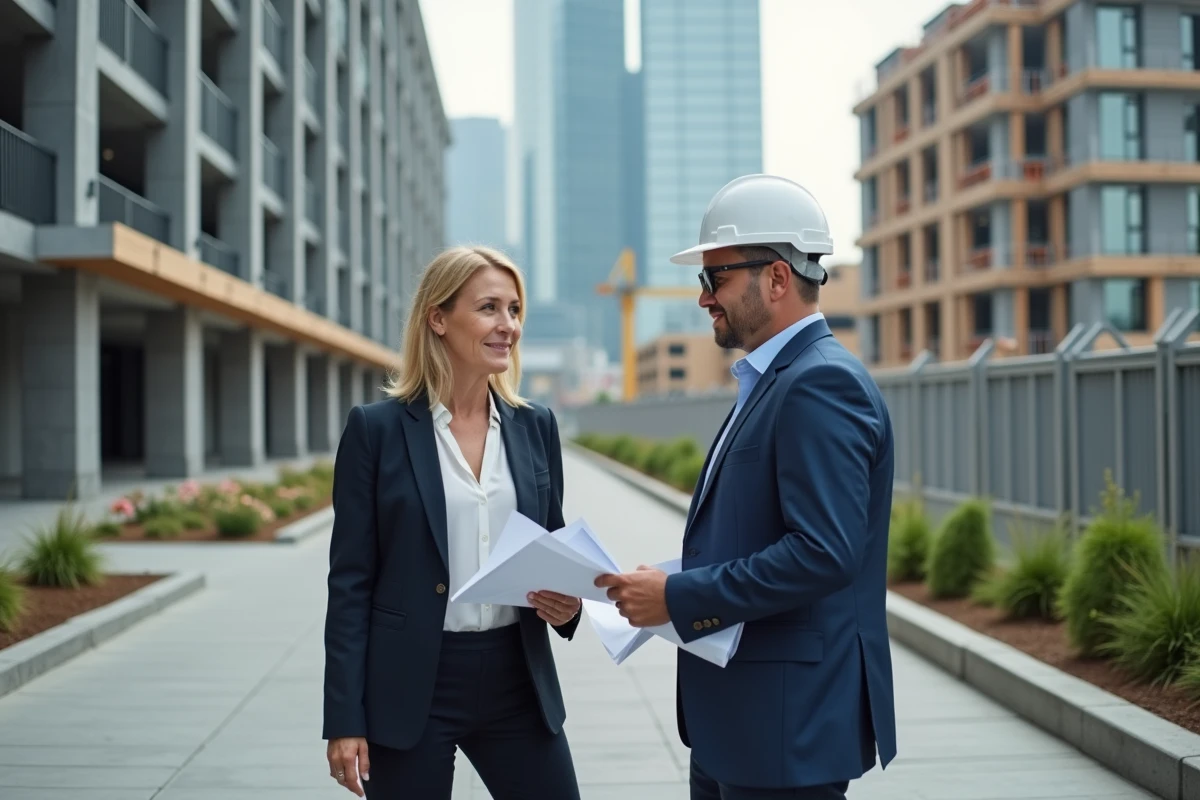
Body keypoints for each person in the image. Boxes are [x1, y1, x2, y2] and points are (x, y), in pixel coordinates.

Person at [596, 174, 898, 800]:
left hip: (784, 729)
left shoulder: (819, 385)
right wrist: (672, 577)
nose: (703, 297)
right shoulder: (774, 380)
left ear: (778, 279)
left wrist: (678, 597)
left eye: (716, 278)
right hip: (743, 723)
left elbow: (824, 553)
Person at [322, 245, 583, 799]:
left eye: (514, 310)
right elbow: (349, 584)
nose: (507, 326)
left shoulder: (536, 426)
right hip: (414, 682)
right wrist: (344, 717)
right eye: (489, 307)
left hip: (517, 677)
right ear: (437, 318)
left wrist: (569, 603)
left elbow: (554, 547)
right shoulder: (377, 430)